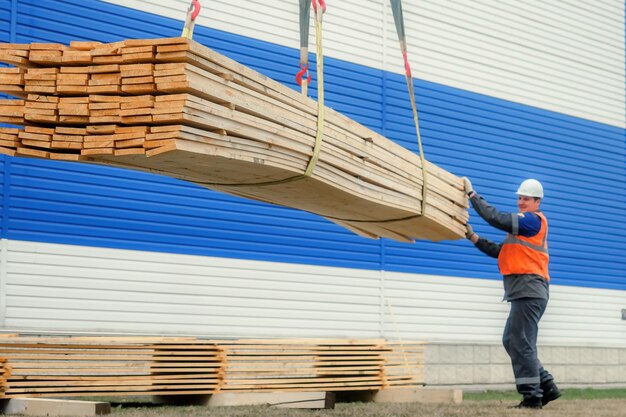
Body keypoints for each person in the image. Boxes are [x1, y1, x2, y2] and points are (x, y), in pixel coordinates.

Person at [463, 177, 561, 409]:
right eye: (519, 198)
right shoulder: (523, 229)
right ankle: (546, 386)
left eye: (526, 198)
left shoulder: (531, 221)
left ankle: (532, 397)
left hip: (529, 290)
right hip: (525, 291)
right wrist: (472, 237)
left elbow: (496, 218)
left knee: (521, 342)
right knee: (512, 340)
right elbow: (501, 252)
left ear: (537, 201)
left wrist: (473, 196)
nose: (521, 202)